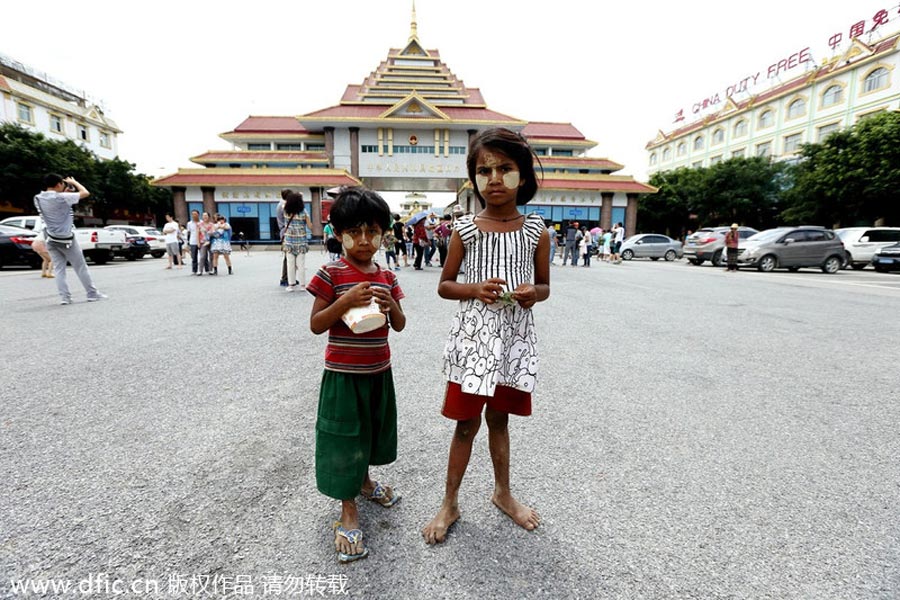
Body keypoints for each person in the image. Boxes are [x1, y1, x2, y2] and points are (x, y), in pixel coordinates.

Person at [422, 128, 549, 545]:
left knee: (500, 419)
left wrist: (534, 293)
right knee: (464, 424)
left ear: (524, 174)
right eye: (483, 170)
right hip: (473, 343)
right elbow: (444, 285)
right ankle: (450, 501)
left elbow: (545, 286)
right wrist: (474, 289)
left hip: (512, 343)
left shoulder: (536, 231)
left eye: (505, 168)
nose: (494, 178)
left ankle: (502, 492)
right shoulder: (465, 229)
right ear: (473, 178)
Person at [307, 186, 406, 563]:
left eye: (373, 231)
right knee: (344, 436)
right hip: (343, 374)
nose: (364, 241)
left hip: (379, 370)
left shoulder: (388, 275)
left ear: (384, 234)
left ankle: (364, 483)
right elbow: (317, 324)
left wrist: (390, 304)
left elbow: (399, 324)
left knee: (370, 429)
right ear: (337, 233)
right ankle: (348, 508)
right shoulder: (331, 272)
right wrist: (344, 301)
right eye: (354, 232)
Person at [33, 174, 106, 304]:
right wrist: (75, 182)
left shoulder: (38, 198)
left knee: (59, 269)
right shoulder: (62, 197)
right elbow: (85, 193)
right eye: (62, 184)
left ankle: (65, 298)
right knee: (80, 267)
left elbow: (56, 204)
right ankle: (92, 294)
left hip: (50, 237)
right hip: (66, 238)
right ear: (58, 184)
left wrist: (66, 193)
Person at [282, 191, 311, 291]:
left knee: (290, 264)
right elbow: (310, 226)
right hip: (301, 242)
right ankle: (303, 285)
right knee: (301, 264)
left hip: (289, 241)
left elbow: (283, 203)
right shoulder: (304, 212)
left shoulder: (285, 211)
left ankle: (291, 285)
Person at [278, 189, 289, 286]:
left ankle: (288, 277)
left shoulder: (280, 204)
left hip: (283, 232)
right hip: (286, 233)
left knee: (288, 256)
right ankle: (285, 278)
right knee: (288, 256)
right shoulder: (283, 206)